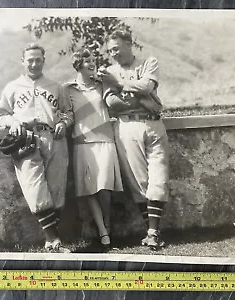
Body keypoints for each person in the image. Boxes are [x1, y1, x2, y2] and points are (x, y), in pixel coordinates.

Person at [0, 43, 73, 253]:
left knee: (56, 190)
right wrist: (12, 122)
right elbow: (1, 113)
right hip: (26, 139)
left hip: (53, 138)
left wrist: (63, 124)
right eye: (30, 60)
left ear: (43, 61)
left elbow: (68, 113)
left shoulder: (56, 87)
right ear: (23, 61)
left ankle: (51, 242)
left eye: (38, 59)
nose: (34, 63)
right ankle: (54, 240)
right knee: (35, 188)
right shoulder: (12, 87)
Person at [98, 30, 170, 251]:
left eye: (117, 48)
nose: (114, 54)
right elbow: (112, 103)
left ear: (130, 44)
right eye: (110, 51)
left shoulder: (149, 62)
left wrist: (120, 85)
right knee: (139, 181)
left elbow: (148, 86)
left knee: (160, 177)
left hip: (153, 123)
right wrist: (137, 97)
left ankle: (153, 232)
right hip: (127, 126)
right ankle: (153, 232)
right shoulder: (108, 71)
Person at [63, 48, 123, 247]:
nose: (92, 63)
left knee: (105, 187)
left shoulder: (102, 85)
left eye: (93, 60)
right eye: (87, 60)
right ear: (78, 65)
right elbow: (66, 115)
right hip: (82, 143)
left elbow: (118, 98)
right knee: (90, 190)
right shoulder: (68, 89)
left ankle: (106, 222)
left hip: (105, 140)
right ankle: (103, 230)